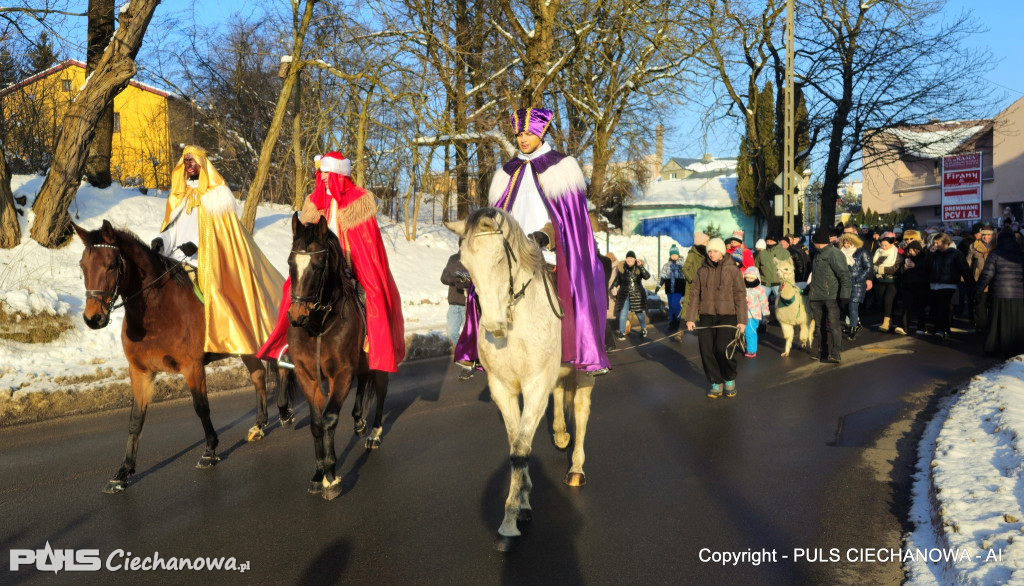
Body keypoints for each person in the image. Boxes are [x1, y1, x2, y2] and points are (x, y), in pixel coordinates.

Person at [455, 107, 610, 375]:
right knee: (483, 286)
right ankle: (478, 351)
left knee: (569, 290)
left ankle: (581, 349)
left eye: (528, 133)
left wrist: (546, 235)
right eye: (519, 133)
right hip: (511, 250)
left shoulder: (562, 167)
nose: (523, 138)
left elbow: (569, 222)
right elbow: (499, 217)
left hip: (546, 250)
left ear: (541, 132)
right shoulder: (506, 173)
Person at [257, 152, 406, 372]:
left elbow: (366, 243)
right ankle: (289, 347)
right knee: (293, 290)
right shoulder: (315, 201)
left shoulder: (359, 200)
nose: (322, 176)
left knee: (371, 295)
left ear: (338, 173)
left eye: (326, 172)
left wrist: (351, 264)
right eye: (321, 172)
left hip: (351, 266)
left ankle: (372, 347)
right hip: (321, 265)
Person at [153, 145, 284, 354]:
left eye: (192, 160)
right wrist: (161, 240)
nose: (189, 165)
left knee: (208, 291)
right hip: (175, 256)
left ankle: (209, 336)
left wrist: (196, 246)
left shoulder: (216, 198)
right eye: (186, 161)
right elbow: (173, 230)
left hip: (203, 259)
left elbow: (219, 236)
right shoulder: (181, 196)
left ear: (202, 163)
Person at [686, 238, 746, 398]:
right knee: (706, 350)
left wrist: (742, 321)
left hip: (728, 316)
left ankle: (729, 377)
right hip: (706, 316)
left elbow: (740, 295)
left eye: (715, 251)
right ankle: (715, 381)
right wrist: (690, 318)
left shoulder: (732, 270)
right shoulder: (702, 270)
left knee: (722, 349)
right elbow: (694, 295)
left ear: (722, 252)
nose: (711, 254)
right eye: (709, 251)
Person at [974, 231, 1024, 357]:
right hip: (1019, 294)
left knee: (997, 321)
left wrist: (978, 289)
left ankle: (995, 347)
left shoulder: (995, 254)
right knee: (1017, 322)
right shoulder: (1021, 254)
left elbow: (987, 275)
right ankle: (1017, 348)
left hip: (999, 292)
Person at [807, 227, 852, 363]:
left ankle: (836, 353)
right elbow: (817, 277)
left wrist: (844, 295)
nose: (812, 244)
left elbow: (844, 275)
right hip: (816, 297)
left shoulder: (834, 254)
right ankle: (823, 352)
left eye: (813, 241)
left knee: (834, 326)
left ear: (818, 241)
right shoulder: (817, 254)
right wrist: (808, 289)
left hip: (831, 296)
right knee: (819, 326)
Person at [927, 233, 973, 340]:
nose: (935, 245)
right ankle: (945, 329)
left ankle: (940, 329)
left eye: (937, 243)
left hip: (949, 284)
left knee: (943, 307)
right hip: (934, 285)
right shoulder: (934, 253)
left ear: (945, 243)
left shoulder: (956, 254)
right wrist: (930, 255)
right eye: (934, 242)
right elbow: (927, 267)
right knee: (937, 308)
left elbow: (964, 269)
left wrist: (970, 283)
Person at [441, 242, 474, 380]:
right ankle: (468, 359)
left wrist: (468, 283)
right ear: (460, 247)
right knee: (452, 333)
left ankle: (468, 366)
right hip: (455, 303)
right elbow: (443, 277)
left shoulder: (475, 260)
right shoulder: (453, 260)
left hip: (469, 305)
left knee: (470, 336)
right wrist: (455, 280)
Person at [839, 232, 872, 340]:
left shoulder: (861, 252)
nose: (846, 245)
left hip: (857, 284)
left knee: (853, 307)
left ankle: (853, 329)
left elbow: (868, 268)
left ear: (853, 242)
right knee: (845, 306)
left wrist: (858, 279)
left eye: (848, 242)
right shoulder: (840, 253)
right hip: (844, 283)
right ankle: (856, 325)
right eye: (844, 242)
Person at [612, 251, 650, 340]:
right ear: (626, 259)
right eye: (628, 258)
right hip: (625, 294)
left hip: (637, 295)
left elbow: (647, 276)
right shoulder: (622, 269)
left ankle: (643, 329)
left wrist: (641, 266)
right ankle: (621, 333)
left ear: (634, 259)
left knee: (639, 314)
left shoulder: (638, 268)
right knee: (623, 313)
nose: (629, 260)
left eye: (631, 258)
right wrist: (613, 287)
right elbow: (617, 280)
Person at [753, 232, 791, 319]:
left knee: (781, 303)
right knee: (762, 303)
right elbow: (756, 266)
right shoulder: (762, 253)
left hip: (778, 282)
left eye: (771, 241)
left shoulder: (784, 252)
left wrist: (786, 280)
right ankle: (763, 321)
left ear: (775, 241)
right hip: (764, 282)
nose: (769, 243)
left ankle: (783, 319)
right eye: (767, 241)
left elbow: (789, 268)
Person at [896, 240, 930, 335]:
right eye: (909, 250)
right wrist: (904, 268)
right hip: (907, 286)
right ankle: (904, 327)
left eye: (912, 250)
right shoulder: (906, 258)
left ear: (917, 250)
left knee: (920, 307)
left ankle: (922, 327)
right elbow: (900, 272)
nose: (910, 252)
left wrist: (915, 266)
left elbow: (926, 272)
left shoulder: (924, 258)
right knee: (906, 306)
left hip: (920, 286)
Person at [965, 226, 995, 331]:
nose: (986, 237)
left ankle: (992, 326)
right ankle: (981, 326)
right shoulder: (973, 246)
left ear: (993, 235)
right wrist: (965, 278)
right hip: (978, 280)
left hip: (994, 281)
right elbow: (968, 263)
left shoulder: (997, 246)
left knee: (993, 305)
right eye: (984, 235)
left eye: (989, 235)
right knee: (979, 304)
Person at [872, 234, 903, 332]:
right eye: (882, 245)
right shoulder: (878, 251)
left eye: (886, 245)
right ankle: (890, 321)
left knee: (888, 300)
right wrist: (875, 270)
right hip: (880, 280)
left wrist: (881, 270)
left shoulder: (897, 252)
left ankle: (886, 323)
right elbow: (873, 264)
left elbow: (896, 267)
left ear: (892, 243)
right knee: (882, 301)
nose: (884, 247)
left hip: (892, 280)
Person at [680, 231, 709, 330]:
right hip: (692, 285)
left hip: (704, 285)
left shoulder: (708, 254)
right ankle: (680, 331)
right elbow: (684, 268)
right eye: (706, 241)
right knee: (688, 307)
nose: (708, 242)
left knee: (702, 307)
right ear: (702, 242)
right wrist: (691, 279)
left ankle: (700, 330)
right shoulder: (693, 254)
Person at [657, 244, 686, 333]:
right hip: (669, 288)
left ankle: (679, 320)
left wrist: (686, 287)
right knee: (670, 306)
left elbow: (685, 276)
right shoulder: (666, 265)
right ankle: (672, 322)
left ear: (678, 255)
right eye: (672, 255)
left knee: (674, 304)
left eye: (675, 254)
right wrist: (658, 285)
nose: (674, 256)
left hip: (678, 288)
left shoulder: (681, 265)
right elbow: (662, 276)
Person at [742, 266, 769, 358]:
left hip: (754, 314)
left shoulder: (759, 289)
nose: (749, 280)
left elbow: (764, 301)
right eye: (747, 278)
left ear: (757, 278)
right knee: (742, 330)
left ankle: (751, 350)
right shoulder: (743, 287)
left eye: (751, 278)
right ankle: (743, 343)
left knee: (750, 331)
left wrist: (765, 312)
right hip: (742, 313)